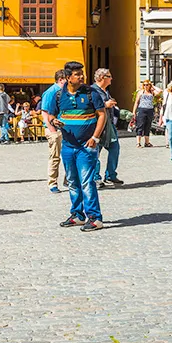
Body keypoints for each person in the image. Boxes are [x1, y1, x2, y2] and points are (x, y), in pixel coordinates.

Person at [43, 61, 106, 232]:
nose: (82, 76)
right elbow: (51, 115)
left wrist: (95, 137)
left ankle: (95, 218)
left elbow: (102, 115)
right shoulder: (58, 95)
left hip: (87, 146)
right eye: (77, 74)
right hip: (68, 145)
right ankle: (78, 215)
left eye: (81, 73)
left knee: (86, 182)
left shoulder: (91, 93)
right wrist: (54, 121)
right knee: (72, 181)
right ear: (68, 78)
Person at [41, 68, 71, 193]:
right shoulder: (51, 92)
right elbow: (45, 112)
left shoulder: (65, 92)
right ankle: (52, 183)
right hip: (54, 129)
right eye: (67, 79)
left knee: (69, 156)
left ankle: (68, 180)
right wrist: (52, 130)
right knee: (55, 157)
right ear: (60, 79)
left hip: (64, 128)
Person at [92, 68, 123, 187]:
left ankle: (110, 175)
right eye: (109, 76)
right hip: (98, 125)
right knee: (96, 152)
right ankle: (95, 177)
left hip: (109, 124)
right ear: (102, 78)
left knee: (115, 148)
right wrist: (106, 104)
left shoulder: (105, 91)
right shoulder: (93, 91)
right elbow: (91, 107)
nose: (111, 78)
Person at [133, 80, 157, 148]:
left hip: (150, 110)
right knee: (140, 125)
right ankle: (138, 142)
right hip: (142, 110)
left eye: (147, 85)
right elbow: (136, 102)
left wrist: (153, 86)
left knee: (148, 126)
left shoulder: (152, 92)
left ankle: (147, 142)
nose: (146, 86)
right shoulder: (140, 92)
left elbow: (160, 91)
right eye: (144, 85)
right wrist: (134, 112)